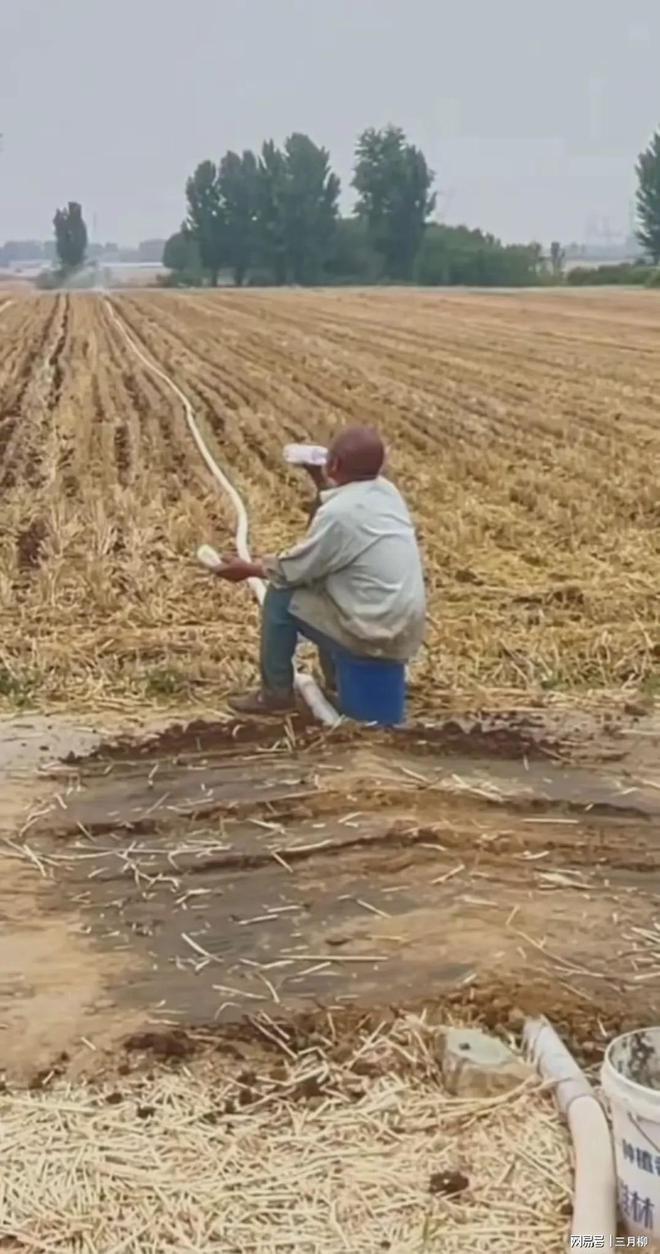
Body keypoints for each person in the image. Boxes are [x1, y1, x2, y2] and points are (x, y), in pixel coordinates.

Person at [213, 425, 426, 715]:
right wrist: (318, 476)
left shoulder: (339, 515)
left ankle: (275, 694)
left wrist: (247, 569)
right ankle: (338, 684)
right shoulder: (388, 494)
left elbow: (293, 571)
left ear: (334, 464)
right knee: (327, 593)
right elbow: (339, 521)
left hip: (370, 634)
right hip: (402, 630)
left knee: (281, 598)